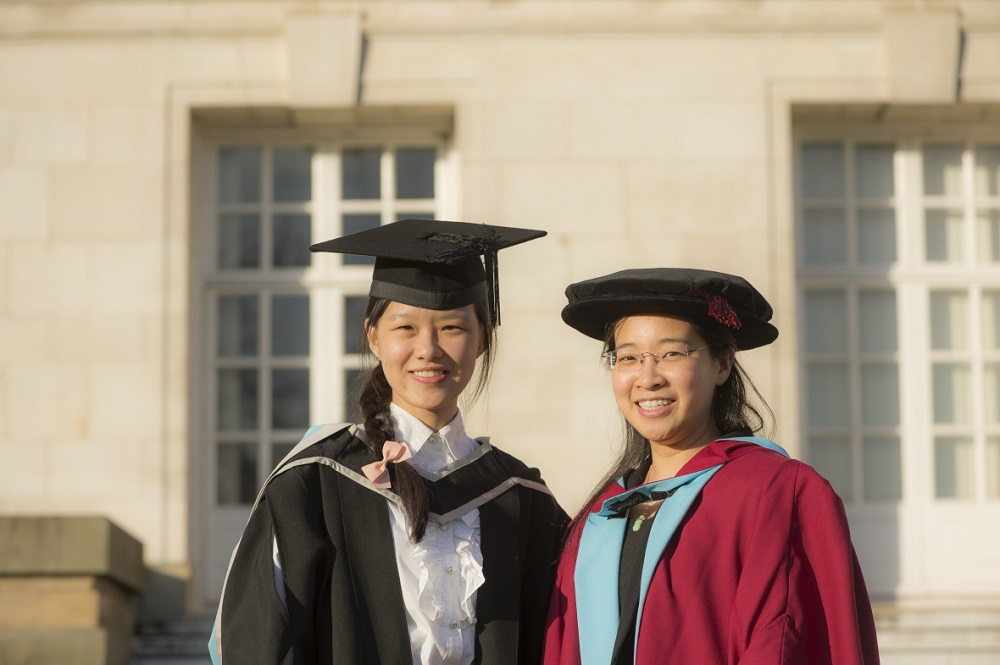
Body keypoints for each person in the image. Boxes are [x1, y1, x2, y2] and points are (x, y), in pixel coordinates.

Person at [210, 219, 569, 665]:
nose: (429, 350)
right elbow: (259, 638)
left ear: (482, 340)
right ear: (374, 337)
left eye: (453, 328)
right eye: (406, 328)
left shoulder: (521, 498)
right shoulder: (314, 484)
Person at [543, 268, 880, 665]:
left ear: (722, 364)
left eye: (671, 354)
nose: (647, 378)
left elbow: (785, 644)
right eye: (629, 357)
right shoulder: (600, 515)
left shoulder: (776, 492)